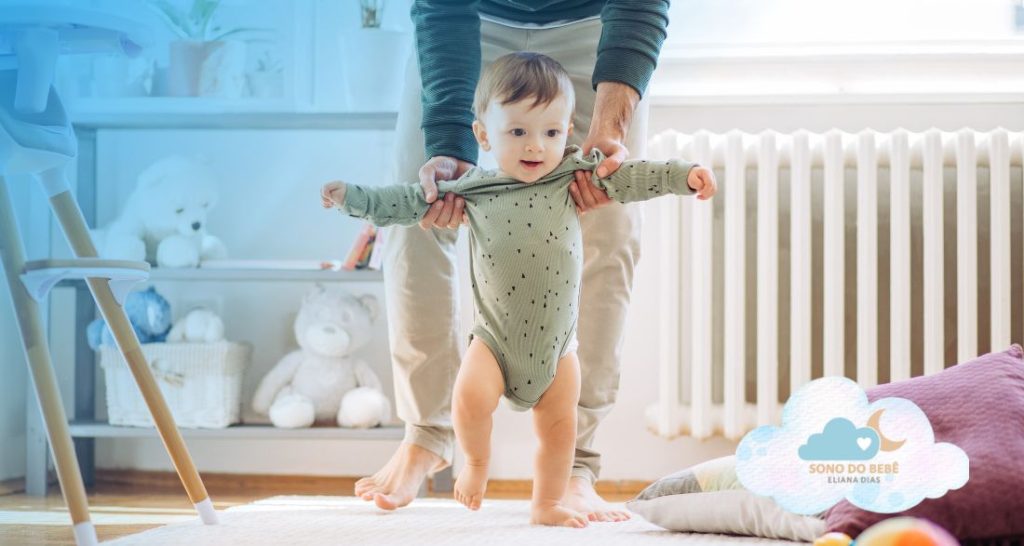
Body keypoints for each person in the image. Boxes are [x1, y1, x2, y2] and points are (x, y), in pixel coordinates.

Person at [321, 52, 715, 526]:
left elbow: (633, 177)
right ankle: (475, 464)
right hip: (494, 343)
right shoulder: (471, 189)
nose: (535, 146)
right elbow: (403, 203)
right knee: (468, 401)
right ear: (483, 134)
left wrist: (683, 176)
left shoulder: (575, 176)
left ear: (568, 130)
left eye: (550, 132)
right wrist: (353, 199)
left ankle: (548, 501)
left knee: (558, 429)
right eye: (518, 132)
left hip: (557, 351)